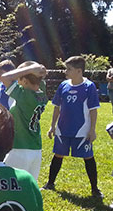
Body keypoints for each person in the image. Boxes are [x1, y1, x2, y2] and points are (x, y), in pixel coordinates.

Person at [43, 55, 102, 198]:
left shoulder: (89, 87)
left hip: (82, 131)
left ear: (79, 71)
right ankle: (50, 183)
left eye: (68, 69)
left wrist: (92, 130)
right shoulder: (63, 85)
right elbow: (57, 107)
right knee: (58, 155)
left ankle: (95, 189)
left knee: (88, 157)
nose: (65, 72)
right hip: (63, 129)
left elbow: (93, 110)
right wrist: (52, 126)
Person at [0, 62, 48, 181]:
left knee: (8, 184)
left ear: (25, 81)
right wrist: (35, 70)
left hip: (20, 148)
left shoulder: (24, 95)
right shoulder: (41, 92)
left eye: (19, 80)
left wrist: (29, 69)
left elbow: (4, 77)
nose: (17, 82)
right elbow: (40, 78)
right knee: (28, 187)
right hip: (35, 148)